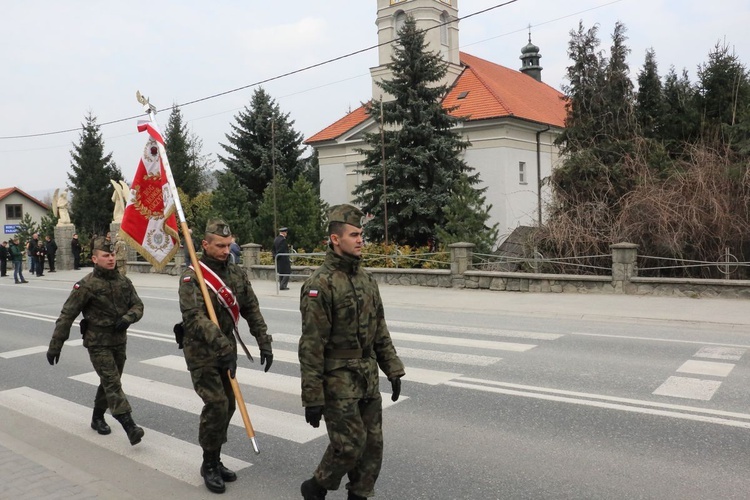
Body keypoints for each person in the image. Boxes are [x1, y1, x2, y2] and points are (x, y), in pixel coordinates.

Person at [298, 204, 405, 500]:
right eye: (354, 234)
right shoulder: (320, 284)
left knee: (373, 446)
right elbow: (311, 344)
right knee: (349, 445)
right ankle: (316, 486)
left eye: (361, 234)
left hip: (367, 375)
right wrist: (312, 396)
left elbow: (379, 329)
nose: (361, 240)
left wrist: (392, 368)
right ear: (335, 239)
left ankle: (359, 495)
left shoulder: (366, 280)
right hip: (338, 377)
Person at [178, 219, 274, 494]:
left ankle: (216, 458)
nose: (225, 250)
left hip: (225, 349)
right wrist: (223, 347)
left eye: (228, 245)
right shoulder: (192, 276)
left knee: (229, 405)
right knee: (217, 403)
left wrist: (263, 341)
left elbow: (251, 308)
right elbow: (194, 318)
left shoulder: (235, 273)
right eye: (219, 245)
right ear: (205, 244)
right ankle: (208, 464)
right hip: (202, 351)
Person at [46, 237, 145, 446]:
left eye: (112, 255)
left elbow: (138, 306)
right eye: (105, 256)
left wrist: (128, 318)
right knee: (112, 381)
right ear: (94, 258)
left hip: (119, 340)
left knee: (109, 381)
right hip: (97, 342)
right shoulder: (86, 285)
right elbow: (67, 315)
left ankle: (97, 417)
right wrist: (56, 345)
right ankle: (129, 425)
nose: (111, 259)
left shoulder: (123, 282)